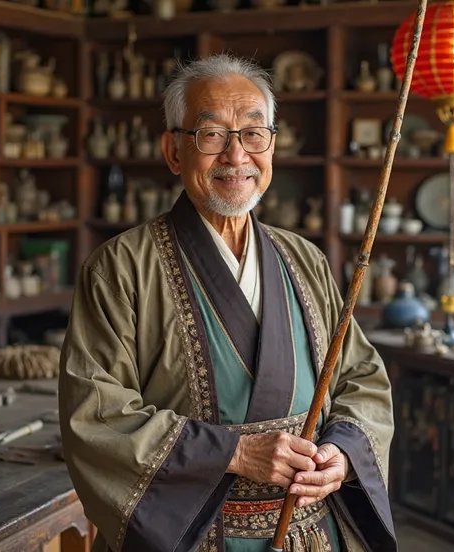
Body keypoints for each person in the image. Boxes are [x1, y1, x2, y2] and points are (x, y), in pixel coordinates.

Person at [59, 53, 396, 552]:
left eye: (253, 134)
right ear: (174, 150)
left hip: (311, 533)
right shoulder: (121, 267)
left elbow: (360, 377)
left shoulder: (303, 258)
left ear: (272, 147)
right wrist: (236, 453)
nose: (236, 157)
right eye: (211, 135)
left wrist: (343, 454)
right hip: (194, 537)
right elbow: (96, 415)